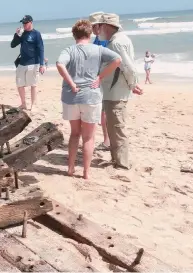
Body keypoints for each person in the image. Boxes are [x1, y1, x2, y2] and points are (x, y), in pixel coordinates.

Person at [55, 19, 122, 180]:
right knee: (88, 137)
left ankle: (70, 169)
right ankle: (86, 172)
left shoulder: (69, 50)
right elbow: (117, 60)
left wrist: (71, 83)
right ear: (90, 34)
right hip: (91, 97)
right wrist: (100, 77)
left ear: (74, 35)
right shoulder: (98, 49)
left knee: (74, 134)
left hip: (71, 97)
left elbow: (59, 64)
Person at [94, 13, 143, 170]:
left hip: (116, 92)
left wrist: (132, 84)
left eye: (100, 25)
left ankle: (122, 163)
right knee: (113, 126)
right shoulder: (120, 39)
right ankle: (117, 160)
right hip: (114, 90)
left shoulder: (116, 43)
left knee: (117, 128)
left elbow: (127, 66)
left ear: (107, 26)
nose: (98, 29)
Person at [10, 15, 46, 111]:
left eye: (26, 23)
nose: (24, 25)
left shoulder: (36, 34)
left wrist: (42, 64)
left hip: (34, 63)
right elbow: (12, 45)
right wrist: (17, 35)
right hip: (22, 63)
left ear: (31, 22)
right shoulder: (22, 34)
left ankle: (33, 105)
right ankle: (23, 104)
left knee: (33, 84)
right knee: (19, 84)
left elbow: (41, 49)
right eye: (23, 23)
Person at [89, 12, 111, 152]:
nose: (91, 29)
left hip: (105, 78)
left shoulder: (106, 39)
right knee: (103, 111)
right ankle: (107, 139)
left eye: (93, 26)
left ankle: (108, 140)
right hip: (100, 78)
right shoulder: (98, 38)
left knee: (105, 111)